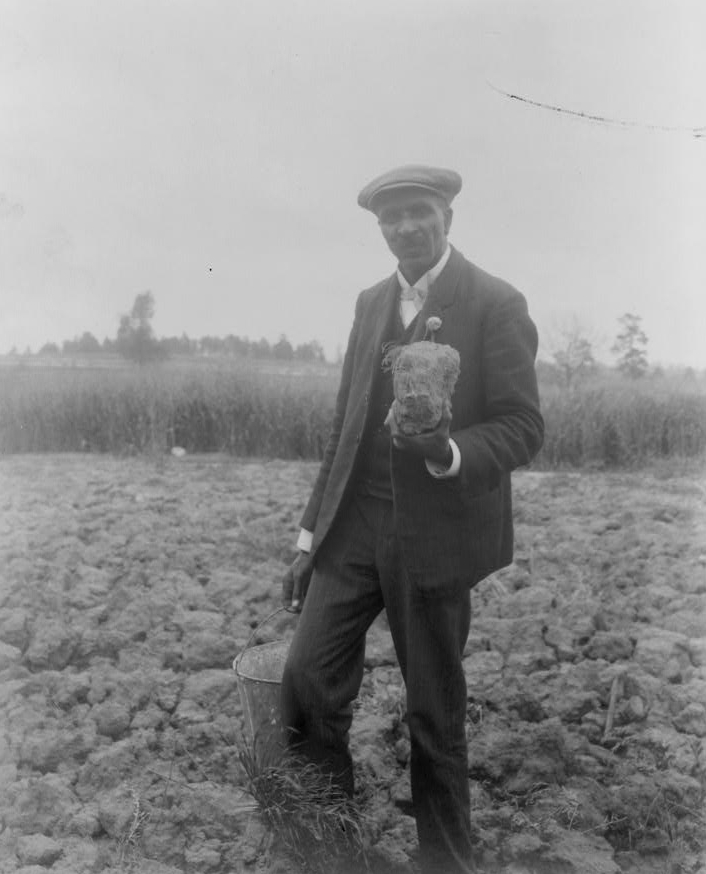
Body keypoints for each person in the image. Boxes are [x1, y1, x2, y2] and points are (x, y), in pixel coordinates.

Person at [280, 164, 543, 874]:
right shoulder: (371, 303)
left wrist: (450, 450)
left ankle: (445, 863)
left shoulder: (493, 302)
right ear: (380, 229)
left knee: (433, 714)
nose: (405, 228)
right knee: (306, 677)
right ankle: (330, 847)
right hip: (354, 525)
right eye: (390, 218)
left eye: (418, 212)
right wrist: (309, 536)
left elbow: (523, 426)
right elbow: (344, 426)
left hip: (434, 537)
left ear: (447, 218)